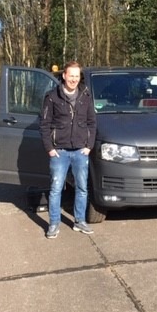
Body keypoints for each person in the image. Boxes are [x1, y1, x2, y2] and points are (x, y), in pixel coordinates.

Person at [39, 61, 97, 239]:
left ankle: (79, 221)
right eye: (71, 75)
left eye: (76, 76)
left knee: (82, 188)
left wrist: (89, 146)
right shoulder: (51, 97)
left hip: (80, 151)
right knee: (56, 189)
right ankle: (54, 224)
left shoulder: (86, 96)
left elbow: (92, 123)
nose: (73, 79)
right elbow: (45, 125)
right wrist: (49, 148)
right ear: (64, 76)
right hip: (59, 152)